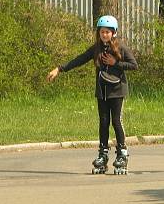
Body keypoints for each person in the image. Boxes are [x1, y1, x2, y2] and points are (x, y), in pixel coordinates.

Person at [47, 15, 138, 174]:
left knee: (116, 121)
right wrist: (59, 69)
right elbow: (79, 59)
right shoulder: (96, 48)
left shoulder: (121, 47)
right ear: (99, 33)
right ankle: (103, 154)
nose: (105, 35)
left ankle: (122, 154)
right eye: (102, 32)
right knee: (103, 122)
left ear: (114, 33)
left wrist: (115, 63)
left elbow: (133, 65)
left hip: (117, 91)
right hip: (102, 91)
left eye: (108, 32)